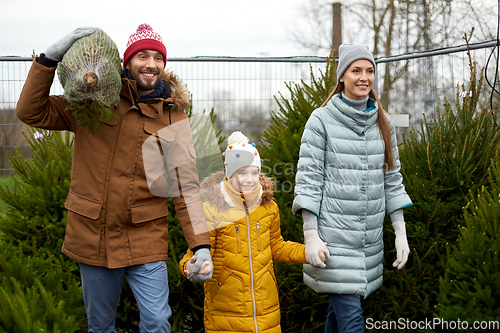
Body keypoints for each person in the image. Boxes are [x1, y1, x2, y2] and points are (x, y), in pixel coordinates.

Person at [16, 24, 212, 333]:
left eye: (158, 57)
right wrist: (49, 59)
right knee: (101, 326)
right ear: (127, 62)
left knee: (158, 321)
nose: (151, 64)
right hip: (94, 235)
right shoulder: (93, 102)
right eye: (142, 56)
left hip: (145, 235)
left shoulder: (173, 116)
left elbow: (185, 186)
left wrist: (200, 245)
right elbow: (31, 111)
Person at [292, 43, 413, 333]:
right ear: (342, 77)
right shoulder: (320, 121)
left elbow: (391, 179)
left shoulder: (382, 122)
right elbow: (308, 179)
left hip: (368, 244)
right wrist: (311, 235)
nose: (364, 77)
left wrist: (400, 233)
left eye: (369, 70)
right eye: (356, 70)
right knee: (352, 323)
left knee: (340, 320)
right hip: (332, 242)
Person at [179, 131, 308, 333]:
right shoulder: (211, 209)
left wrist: (308, 253)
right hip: (225, 315)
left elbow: (277, 247)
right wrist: (190, 266)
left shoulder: (269, 207)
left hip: (267, 314)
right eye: (242, 173)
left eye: (254, 172)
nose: (249, 179)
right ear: (229, 174)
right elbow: (193, 253)